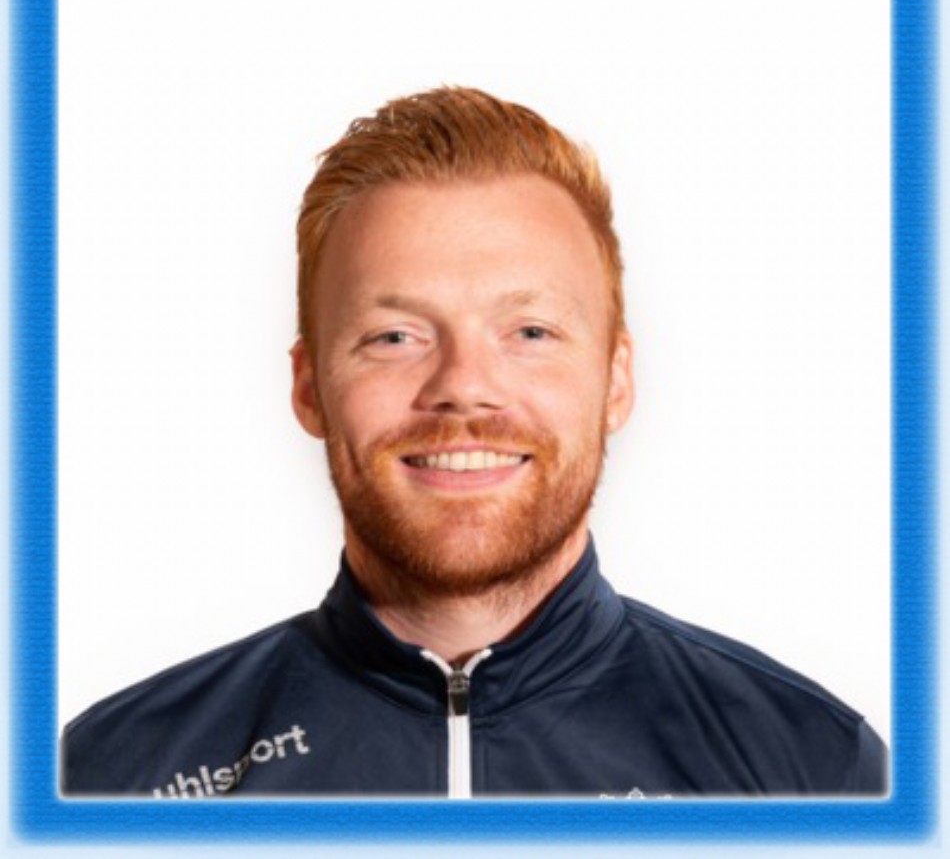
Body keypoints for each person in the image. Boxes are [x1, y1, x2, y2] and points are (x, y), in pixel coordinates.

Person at [62, 87, 887, 798]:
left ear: (616, 380)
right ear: (309, 387)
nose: (463, 385)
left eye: (529, 331)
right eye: (394, 337)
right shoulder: (110, 778)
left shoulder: (812, 770)